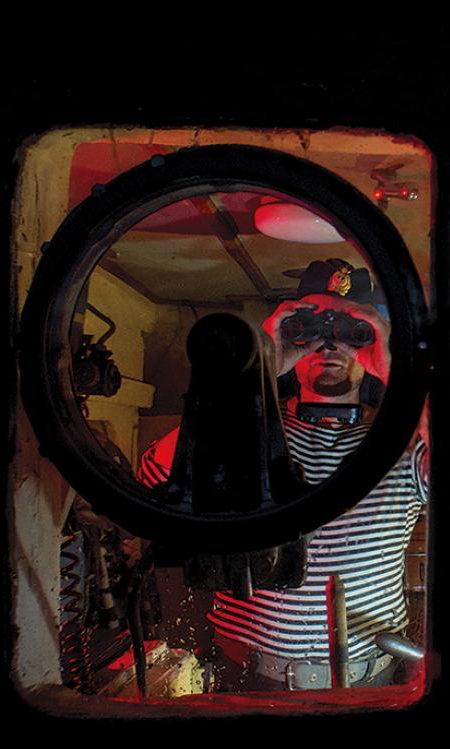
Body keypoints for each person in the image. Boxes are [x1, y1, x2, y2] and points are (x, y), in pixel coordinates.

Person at [139, 258, 427, 690]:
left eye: (350, 331)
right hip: (249, 676)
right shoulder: (243, 430)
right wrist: (254, 371)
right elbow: (152, 480)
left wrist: (394, 366)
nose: (328, 346)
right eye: (309, 329)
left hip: (370, 675)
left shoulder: (401, 440)